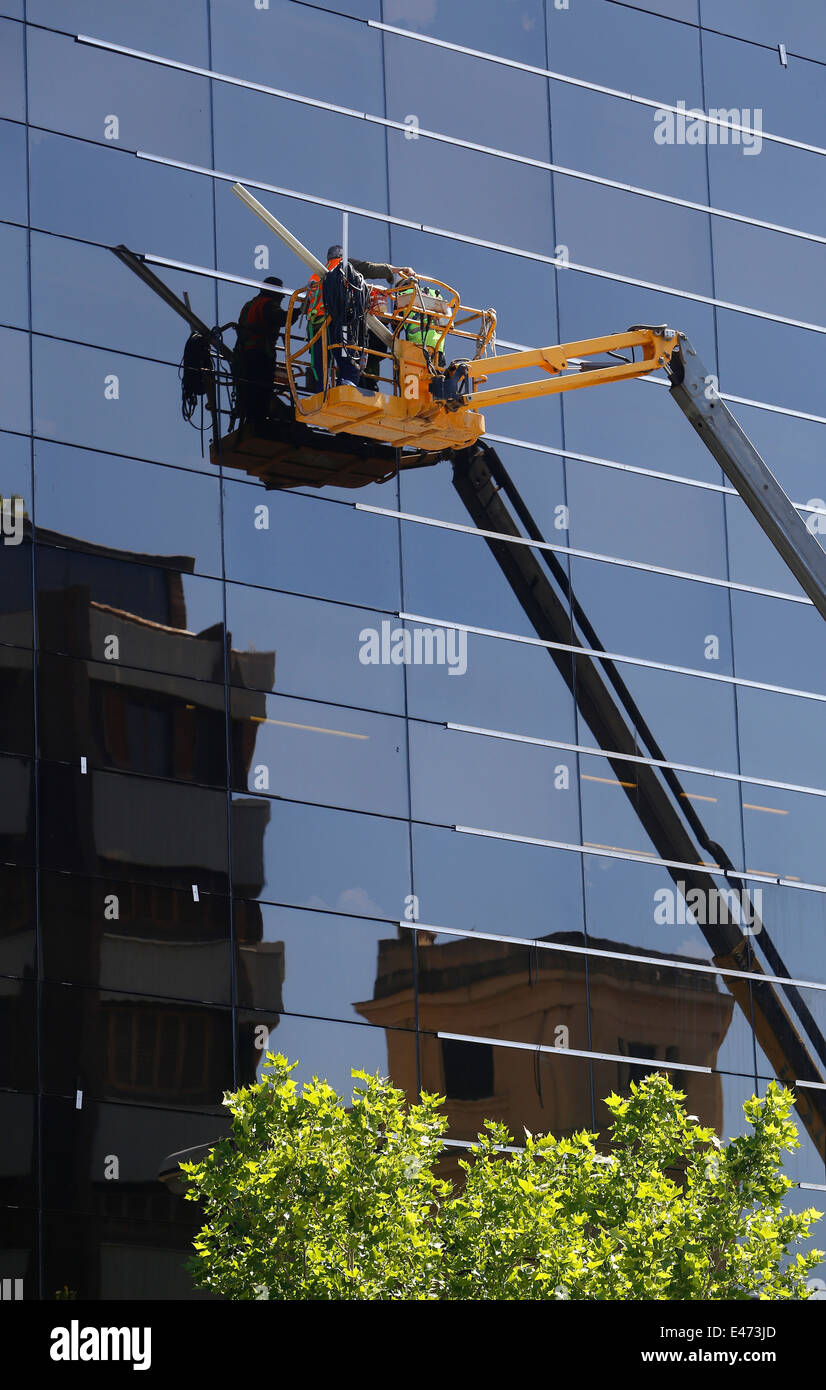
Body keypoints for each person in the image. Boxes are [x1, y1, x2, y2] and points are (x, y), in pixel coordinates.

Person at [304, 246, 413, 392]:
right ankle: (346, 389)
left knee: (320, 364)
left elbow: (305, 307)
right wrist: (394, 270)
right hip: (336, 322)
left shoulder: (317, 275)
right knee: (348, 360)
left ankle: (320, 393)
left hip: (315, 327)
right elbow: (368, 267)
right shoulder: (344, 265)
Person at [232, 276, 287, 431]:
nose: (283, 296)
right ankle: (258, 424)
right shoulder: (267, 305)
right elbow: (281, 318)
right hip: (259, 354)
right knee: (261, 390)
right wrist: (300, 311)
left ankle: (250, 421)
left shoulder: (250, 304)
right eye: (280, 292)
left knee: (249, 391)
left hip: (244, 355)